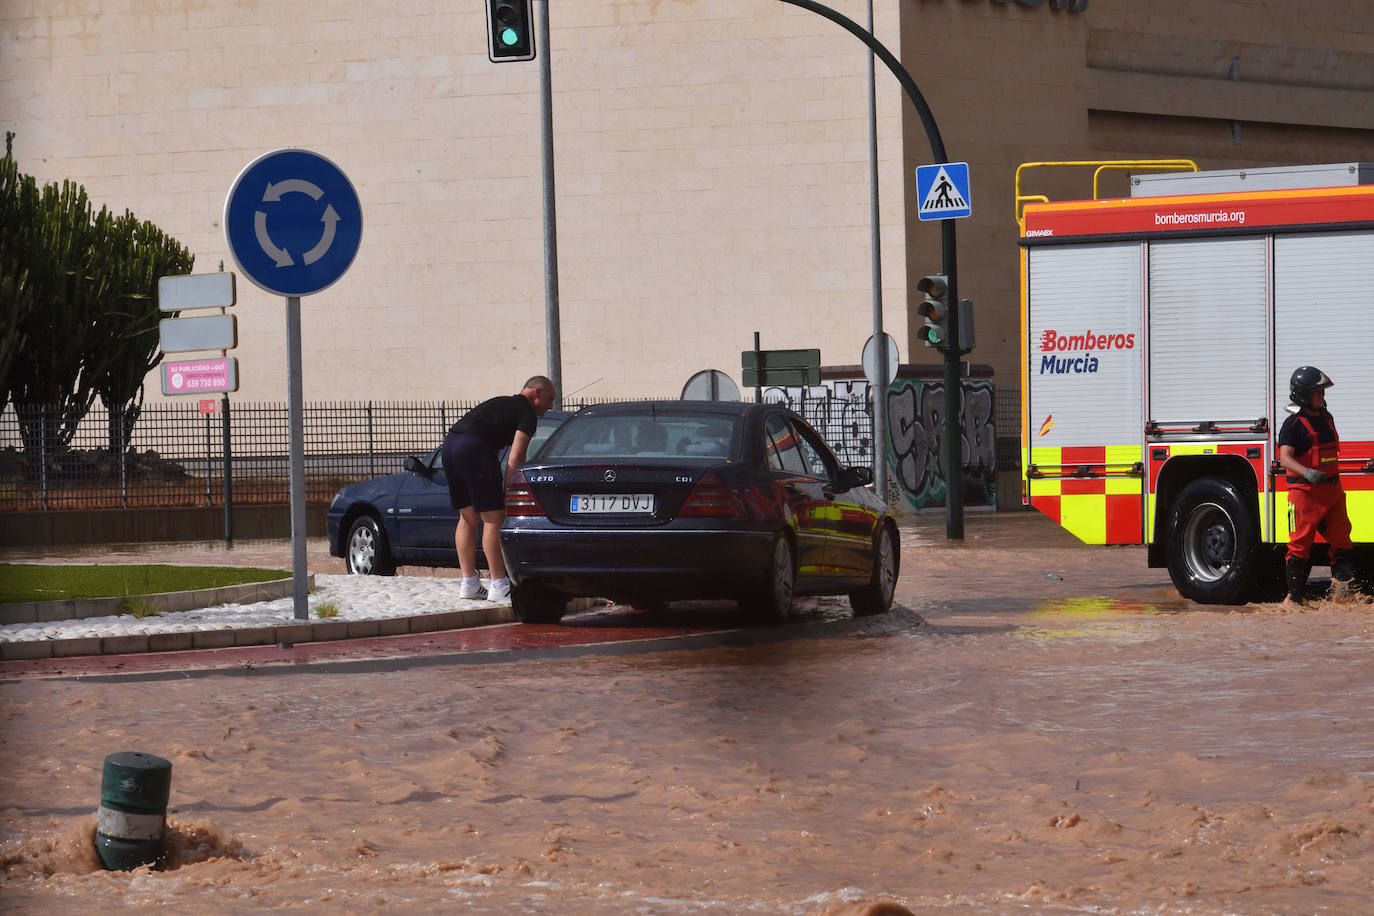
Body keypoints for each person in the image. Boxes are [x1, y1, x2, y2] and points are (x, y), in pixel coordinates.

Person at [441, 375, 557, 600]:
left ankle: (469, 584)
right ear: (537, 394)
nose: (551, 406)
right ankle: (499, 585)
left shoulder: (503, 402)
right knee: (493, 518)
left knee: (467, 518)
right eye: (550, 399)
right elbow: (516, 458)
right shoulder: (527, 414)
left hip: (450, 445)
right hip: (474, 448)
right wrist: (510, 493)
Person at [1276, 366, 1354, 605]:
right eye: (1317, 392)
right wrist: (1308, 472)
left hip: (1332, 493)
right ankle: (1295, 601)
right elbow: (1285, 458)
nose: (1322, 396)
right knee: (1299, 547)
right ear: (1303, 394)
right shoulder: (1293, 424)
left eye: (1322, 392)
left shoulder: (1327, 418)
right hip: (1304, 495)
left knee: (1343, 543)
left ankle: (1343, 599)